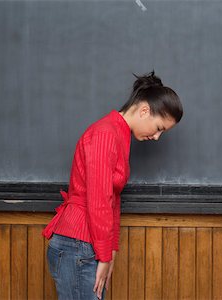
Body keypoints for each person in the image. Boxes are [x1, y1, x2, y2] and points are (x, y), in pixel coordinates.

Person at [42, 71, 183, 300]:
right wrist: (105, 254)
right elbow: (99, 202)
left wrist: (111, 249)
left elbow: (112, 199)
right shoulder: (106, 133)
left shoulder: (119, 134)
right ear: (144, 110)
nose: (157, 137)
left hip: (86, 246)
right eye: (159, 128)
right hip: (78, 245)